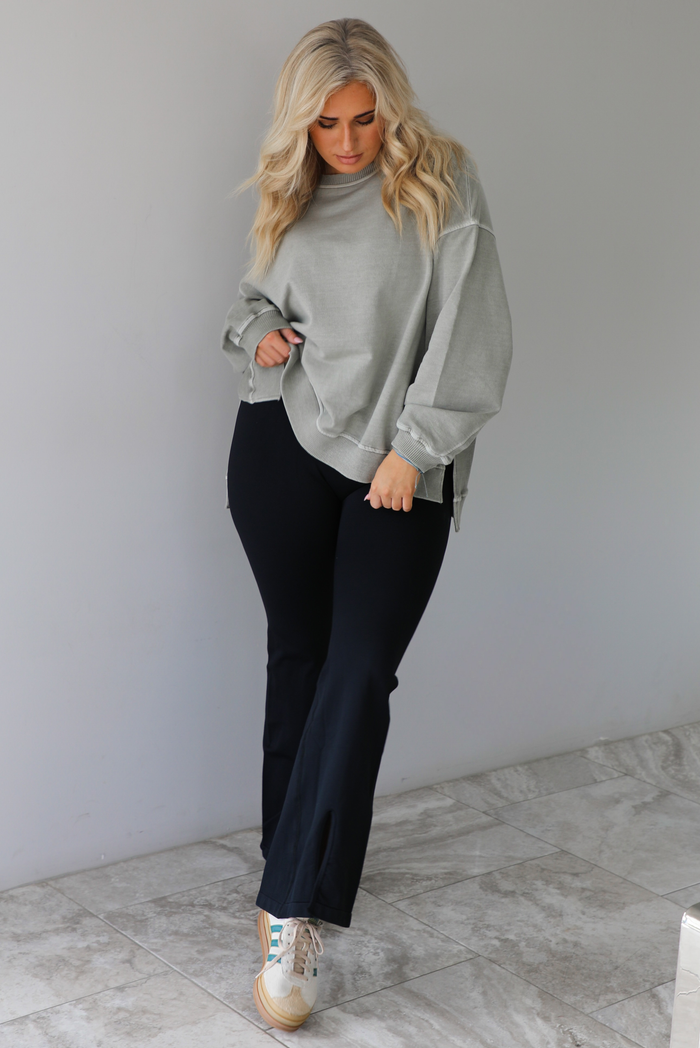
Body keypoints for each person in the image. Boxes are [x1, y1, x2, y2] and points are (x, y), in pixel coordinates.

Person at [220, 17, 512, 1032]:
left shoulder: (442, 182)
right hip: (280, 447)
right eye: (327, 124)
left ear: (391, 103)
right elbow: (252, 303)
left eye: (363, 117)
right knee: (299, 659)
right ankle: (287, 872)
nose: (346, 140)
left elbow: (473, 326)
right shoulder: (293, 190)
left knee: (358, 673)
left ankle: (290, 906)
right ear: (301, 125)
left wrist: (414, 447)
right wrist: (260, 338)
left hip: (397, 469)